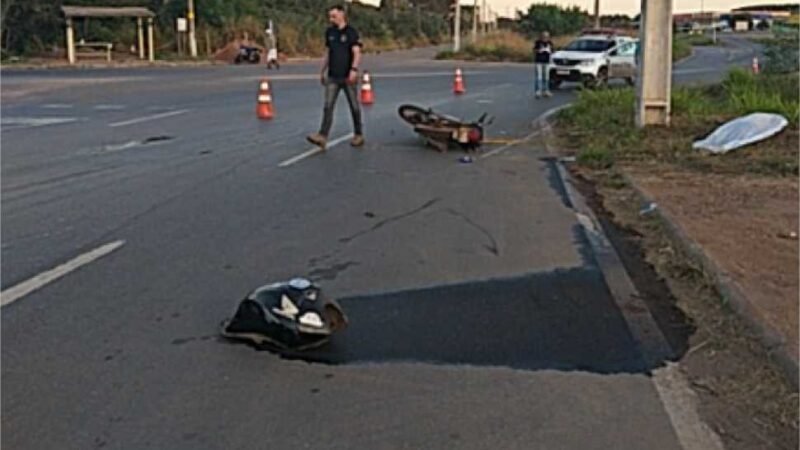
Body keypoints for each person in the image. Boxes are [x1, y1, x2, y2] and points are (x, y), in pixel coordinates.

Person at [306, 5, 364, 150]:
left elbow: (356, 52)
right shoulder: (330, 32)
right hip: (333, 76)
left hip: (347, 76)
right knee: (328, 106)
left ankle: (358, 134)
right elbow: (328, 52)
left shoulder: (351, 32)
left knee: (354, 106)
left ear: (342, 15)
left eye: (334, 16)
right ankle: (322, 136)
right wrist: (322, 70)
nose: (331, 19)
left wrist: (354, 70)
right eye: (330, 16)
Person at [533, 31, 553, 98]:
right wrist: (539, 50)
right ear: (541, 36)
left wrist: (549, 50)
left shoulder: (550, 43)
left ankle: (546, 91)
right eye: (544, 36)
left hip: (547, 62)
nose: (545, 37)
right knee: (539, 76)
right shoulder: (538, 42)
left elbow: (552, 50)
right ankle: (537, 91)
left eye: (547, 36)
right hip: (539, 61)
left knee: (546, 77)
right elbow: (534, 50)